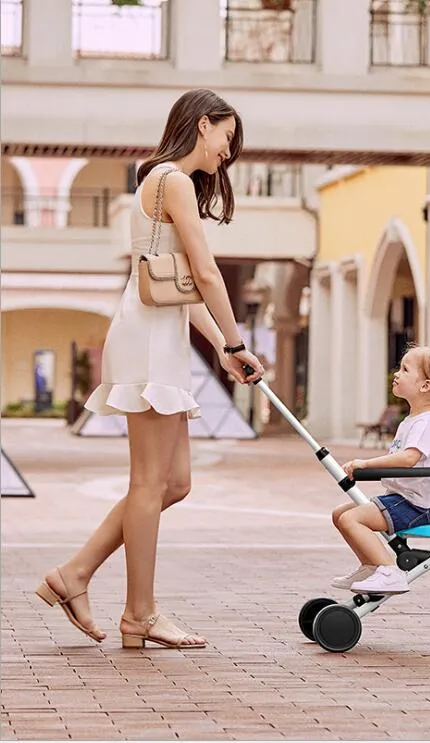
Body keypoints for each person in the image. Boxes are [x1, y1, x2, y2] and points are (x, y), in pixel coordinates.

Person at [34, 89, 265, 649]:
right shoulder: (174, 180)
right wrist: (236, 341)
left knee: (174, 483)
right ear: (204, 125)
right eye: (226, 138)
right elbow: (207, 274)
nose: (226, 153)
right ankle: (139, 614)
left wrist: (223, 351)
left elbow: (179, 291)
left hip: (158, 335)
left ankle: (76, 574)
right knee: (148, 482)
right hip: (147, 342)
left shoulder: (160, 181)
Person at [332, 346, 430, 595]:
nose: (396, 374)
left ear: (425, 386)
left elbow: (409, 458)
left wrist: (366, 464)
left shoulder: (428, 421)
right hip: (400, 500)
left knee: (351, 518)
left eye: (405, 369)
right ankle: (371, 566)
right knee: (340, 514)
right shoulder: (413, 420)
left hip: (415, 506)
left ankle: (388, 571)